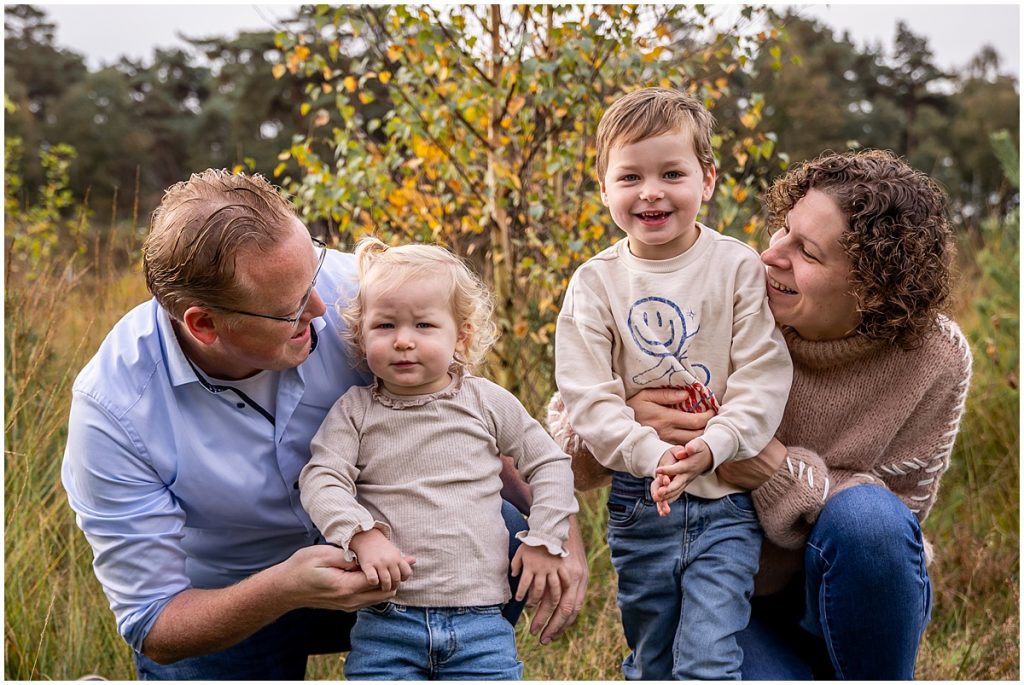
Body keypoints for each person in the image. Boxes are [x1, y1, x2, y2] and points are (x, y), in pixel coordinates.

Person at [61, 170, 588, 680]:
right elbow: (153, 622)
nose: (323, 309)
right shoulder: (115, 411)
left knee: (509, 527)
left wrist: (560, 532)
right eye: (289, 310)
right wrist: (284, 588)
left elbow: (470, 425)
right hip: (234, 597)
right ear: (205, 325)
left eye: (313, 274)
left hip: (397, 567)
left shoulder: (373, 298)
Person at [559, 149, 973, 679]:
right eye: (782, 230)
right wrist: (626, 415)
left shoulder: (934, 357)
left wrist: (776, 472)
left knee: (870, 521)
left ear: (873, 288)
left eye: (807, 252)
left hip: (843, 591)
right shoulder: (737, 292)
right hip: (728, 590)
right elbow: (569, 442)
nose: (771, 256)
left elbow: (897, 525)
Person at [552, 87, 793, 680]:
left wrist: (714, 446)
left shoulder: (736, 267)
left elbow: (763, 375)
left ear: (706, 180)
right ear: (604, 187)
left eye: (672, 173)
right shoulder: (596, 283)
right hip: (641, 503)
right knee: (654, 655)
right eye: (630, 176)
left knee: (708, 658)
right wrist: (652, 453)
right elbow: (587, 396)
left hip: (725, 500)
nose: (651, 191)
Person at [298, 237, 579, 680]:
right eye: (385, 326)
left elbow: (548, 463)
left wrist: (547, 536)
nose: (403, 342)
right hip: (386, 622)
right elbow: (321, 477)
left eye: (424, 326)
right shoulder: (355, 410)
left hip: (482, 623)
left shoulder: (486, 401)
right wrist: (360, 534)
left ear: (460, 334)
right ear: (361, 333)